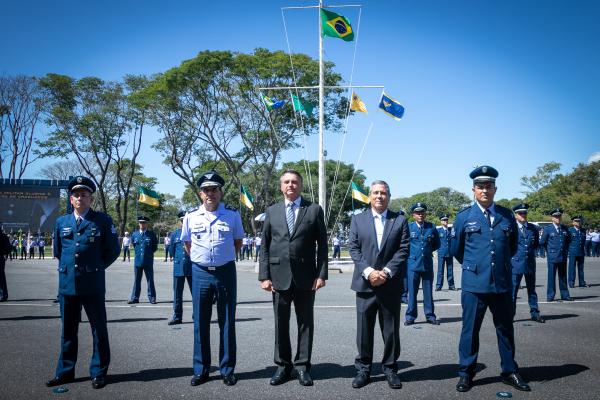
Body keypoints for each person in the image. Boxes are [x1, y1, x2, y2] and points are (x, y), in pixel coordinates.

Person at [451, 165, 530, 393]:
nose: (484, 190)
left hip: (502, 283)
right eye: (480, 187)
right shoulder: (464, 217)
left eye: (488, 186)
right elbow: (457, 250)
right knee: (470, 331)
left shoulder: (506, 215)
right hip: (474, 284)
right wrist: (475, 267)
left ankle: (509, 370)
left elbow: (512, 246)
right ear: (473, 189)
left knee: (505, 329)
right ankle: (466, 373)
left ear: (495, 189)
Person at [45, 176, 120, 390]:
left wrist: (95, 267)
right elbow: (59, 251)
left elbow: (113, 251)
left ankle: (98, 372)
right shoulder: (61, 222)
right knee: (68, 330)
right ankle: (65, 372)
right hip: (68, 284)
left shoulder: (103, 220)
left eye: (84, 195)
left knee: (98, 329)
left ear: (91, 198)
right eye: (76, 195)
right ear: (71, 199)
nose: (80, 198)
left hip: (93, 284)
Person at [259, 169, 328, 387]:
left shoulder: (314, 210)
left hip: (306, 278)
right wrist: (264, 276)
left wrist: (321, 274)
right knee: (281, 323)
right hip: (278, 277)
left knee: (305, 323)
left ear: (301, 185)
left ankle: (302, 366)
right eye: (286, 182)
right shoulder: (272, 211)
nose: (290, 185)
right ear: (281, 187)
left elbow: (323, 246)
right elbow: (265, 246)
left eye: (294, 182)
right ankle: (282, 366)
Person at [181, 171, 244, 386]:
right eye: (206, 190)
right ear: (201, 194)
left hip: (225, 271)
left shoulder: (233, 215)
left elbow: (237, 242)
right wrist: (204, 260)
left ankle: (227, 369)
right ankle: (201, 369)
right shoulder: (190, 216)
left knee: (227, 321)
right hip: (200, 272)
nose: (211, 193)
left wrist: (221, 258)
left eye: (214, 189)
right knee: (200, 322)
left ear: (220, 192)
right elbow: (187, 245)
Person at [348, 180, 409, 389]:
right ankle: (363, 370)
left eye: (383, 193)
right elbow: (353, 249)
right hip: (365, 285)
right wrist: (369, 271)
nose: (379, 196)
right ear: (369, 196)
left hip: (389, 285)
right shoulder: (357, 220)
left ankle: (391, 369)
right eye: (375, 193)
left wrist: (386, 272)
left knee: (390, 331)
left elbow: (403, 249)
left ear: (389, 196)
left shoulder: (399, 220)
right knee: (364, 331)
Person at [405, 202, 441, 326]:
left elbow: (437, 243)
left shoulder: (431, 227)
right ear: (413, 214)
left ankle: (430, 316)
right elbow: (404, 245)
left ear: (425, 213)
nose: (420, 214)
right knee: (412, 292)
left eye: (422, 212)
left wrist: (426, 252)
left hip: (426, 264)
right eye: (417, 212)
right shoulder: (409, 227)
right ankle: (410, 316)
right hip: (413, 264)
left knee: (428, 292)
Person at [510, 204, 544, 323]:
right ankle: (510, 315)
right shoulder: (512, 227)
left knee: (532, 290)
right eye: (520, 213)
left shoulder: (533, 228)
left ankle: (535, 313)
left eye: (525, 213)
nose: (523, 215)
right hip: (515, 263)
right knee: (513, 291)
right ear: (515, 215)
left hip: (529, 263)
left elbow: (535, 245)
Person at [540, 208, 572, 302]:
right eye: (556, 216)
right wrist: (549, 251)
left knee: (563, 277)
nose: (558, 218)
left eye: (559, 216)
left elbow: (568, 240)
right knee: (551, 277)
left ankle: (565, 295)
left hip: (562, 256)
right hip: (552, 256)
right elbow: (542, 242)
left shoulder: (565, 228)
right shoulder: (548, 229)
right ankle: (550, 295)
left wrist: (565, 250)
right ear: (552, 218)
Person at [168, 211, 193, 325]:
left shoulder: (193, 232)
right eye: (182, 220)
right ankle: (177, 316)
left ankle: (197, 315)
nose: (184, 222)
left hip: (192, 267)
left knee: (196, 294)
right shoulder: (174, 234)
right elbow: (172, 250)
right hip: (178, 268)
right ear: (180, 221)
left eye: (185, 220)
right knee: (177, 294)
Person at [128, 216, 158, 304]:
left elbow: (154, 247)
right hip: (138, 261)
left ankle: (152, 298)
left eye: (144, 222)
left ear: (147, 224)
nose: (142, 224)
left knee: (150, 280)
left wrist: (148, 254)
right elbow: (134, 245)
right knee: (137, 280)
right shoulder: (134, 234)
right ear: (139, 223)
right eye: (140, 222)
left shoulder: (151, 234)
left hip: (148, 261)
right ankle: (135, 298)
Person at [436, 213, 455, 291]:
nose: (445, 221)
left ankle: (451, 285)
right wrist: (435, 251)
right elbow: (436, 242)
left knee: (450, 270)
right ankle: (438, 286)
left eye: (446, 220)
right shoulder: (438, 231)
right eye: (444, 220)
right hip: (441, 253)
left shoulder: (451, 230)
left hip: (450, 253)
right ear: (441, 221)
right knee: (440, 271)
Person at [568, 215, 588, 288]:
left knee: (581, 268)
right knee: (572, 268)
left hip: (581, 252)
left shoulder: (583, 230)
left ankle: (582, 282)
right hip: (572, 251)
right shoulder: (570, 230)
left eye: (579, 221)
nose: (578, 222)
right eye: (576, 221)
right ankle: (571, 282)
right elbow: (567, 241)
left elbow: (583, 241)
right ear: (573, 222)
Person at [0, 226, 11, 301]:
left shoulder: (3, 236)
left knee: (1, 277)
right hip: (1, 257)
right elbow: (8, 248)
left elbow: (8, 248)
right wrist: (5, 254)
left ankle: (3, 295)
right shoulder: (4, 236)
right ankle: (4, 295)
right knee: (1, 277)